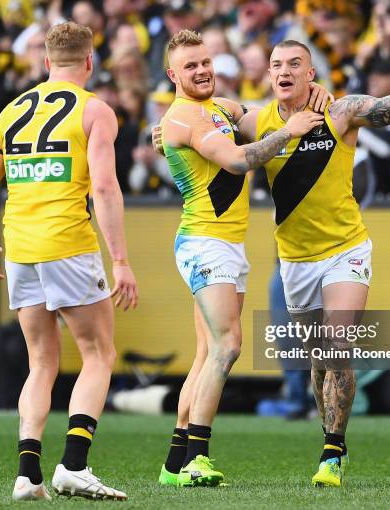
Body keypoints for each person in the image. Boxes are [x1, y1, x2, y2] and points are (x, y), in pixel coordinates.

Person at [231, 34, 390, 487]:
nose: (283, 71)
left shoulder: (340, 112)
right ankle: (327, 434)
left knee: (337, 344)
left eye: (294, 64)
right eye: (275, 64)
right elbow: (206, 111)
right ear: (268, 74)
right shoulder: (256, 121)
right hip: (295, 260)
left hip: (346, 250)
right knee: (319, 360)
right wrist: (170, 126)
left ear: (311, 73)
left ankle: (332, 454)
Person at [0, 21, 137, 502]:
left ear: (45, 63)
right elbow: (104, 187)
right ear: (89, 61)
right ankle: (74, 467)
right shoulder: (95, 110)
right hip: (68, 244)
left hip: (19, 248)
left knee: (40, 362)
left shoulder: (11, 111)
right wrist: (120, 260)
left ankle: (27, 474)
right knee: (99, 354)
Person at [157, 29, 327, 488]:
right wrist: (288, 130)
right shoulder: (184, 118)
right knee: (228, 346)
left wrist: (312, 94)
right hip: (203, 242)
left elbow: (255, 113)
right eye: (190, 66)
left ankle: (174, 464)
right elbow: (235, 161)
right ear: (172, 74)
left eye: (206, 61)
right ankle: (197, 458)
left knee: (206, 354)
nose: (202, 70)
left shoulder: (218, 107)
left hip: (227, 244)